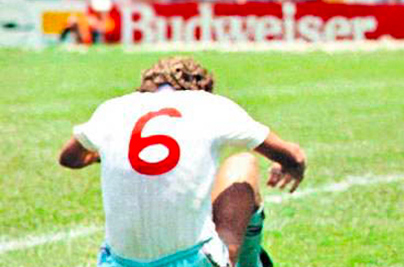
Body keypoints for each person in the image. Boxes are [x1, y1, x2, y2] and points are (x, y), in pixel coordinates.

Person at [59, 57, 306, 267]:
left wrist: (107, 154)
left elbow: (69, 158)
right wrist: (292, 165)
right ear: (201, 88)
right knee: (243, 164)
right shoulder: (207, 104)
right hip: (190, 261)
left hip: (118, 263)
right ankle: (249, 262)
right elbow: (291, 155)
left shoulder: (113, 109)